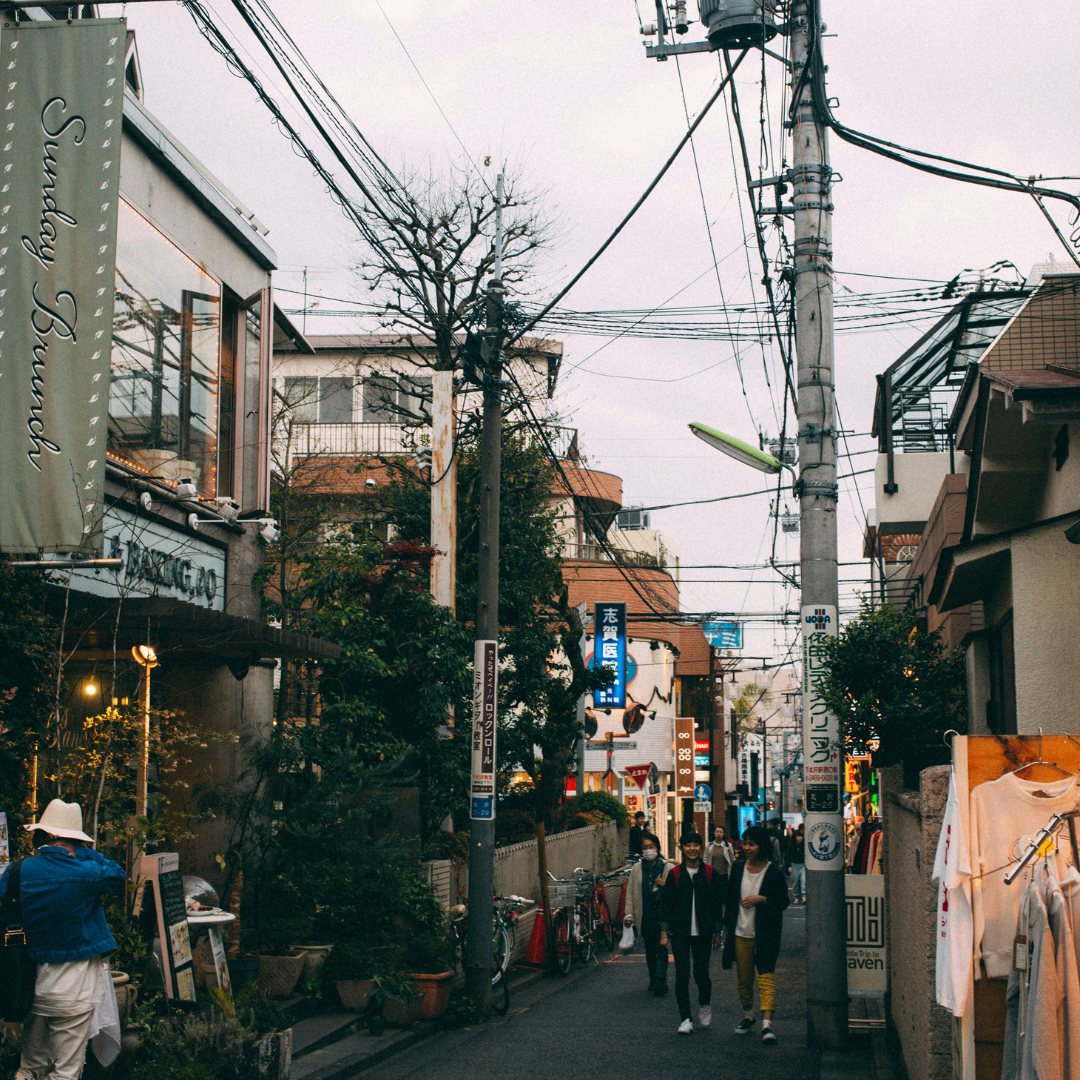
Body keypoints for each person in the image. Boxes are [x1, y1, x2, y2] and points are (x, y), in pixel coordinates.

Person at [0, 799, 126, 1080]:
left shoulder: (18, 872)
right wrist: (85, 853)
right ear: (69, 840)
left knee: (29, 1065)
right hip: (74, 989)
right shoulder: (88, 874)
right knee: (66, 1071)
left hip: (30, 984)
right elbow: (117, 874)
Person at [722, 825, 790, 1045]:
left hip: (765, 934)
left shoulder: (774, 871)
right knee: (744, 979)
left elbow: (783, 902)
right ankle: (748, 1015)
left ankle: (767, 1024)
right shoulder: (738, 867)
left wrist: (761, 899)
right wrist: (725, 928)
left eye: (752, 843)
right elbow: (731, 899)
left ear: (762, 846)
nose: (747, 847)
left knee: (765, 977)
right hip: (740, 932)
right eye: (745, 843)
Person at [659, 831, 723, 1034]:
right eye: (688, 845)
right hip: (680, 932)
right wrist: (664, 933)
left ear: (701, 847)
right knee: (682, 974)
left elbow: (717, 905)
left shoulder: (711, 873)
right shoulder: (675, 874)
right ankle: (685, 1018)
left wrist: (718, 931)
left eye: (696, 844)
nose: (692, 848)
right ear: (682, 848)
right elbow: (666, 906)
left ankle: (705, 1004)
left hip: (703, 932)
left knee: (701, 973)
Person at [623, 833, 671, 995]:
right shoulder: (636, 869)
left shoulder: (667, 868)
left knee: (662, 947)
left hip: (663, 916)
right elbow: (630, 893)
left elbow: (677, 890)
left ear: (657, 848)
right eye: (645, 848)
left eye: (651, 847)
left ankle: (660, 979)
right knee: (650, 950)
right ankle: (653, 978)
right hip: (645, 915)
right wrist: (628, 915)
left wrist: (665, 884)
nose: (648, 850)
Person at [789, 827, 806, 904]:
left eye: (800, 836)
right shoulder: (791, 846)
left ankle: (804, 896)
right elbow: (788, 857)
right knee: (795, 881)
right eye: (797, 836)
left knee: (803, 880)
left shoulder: (804, 846)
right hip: (794, 864)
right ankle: (795, 896)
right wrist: (789, 866)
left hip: (803, 864)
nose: (799, 838)